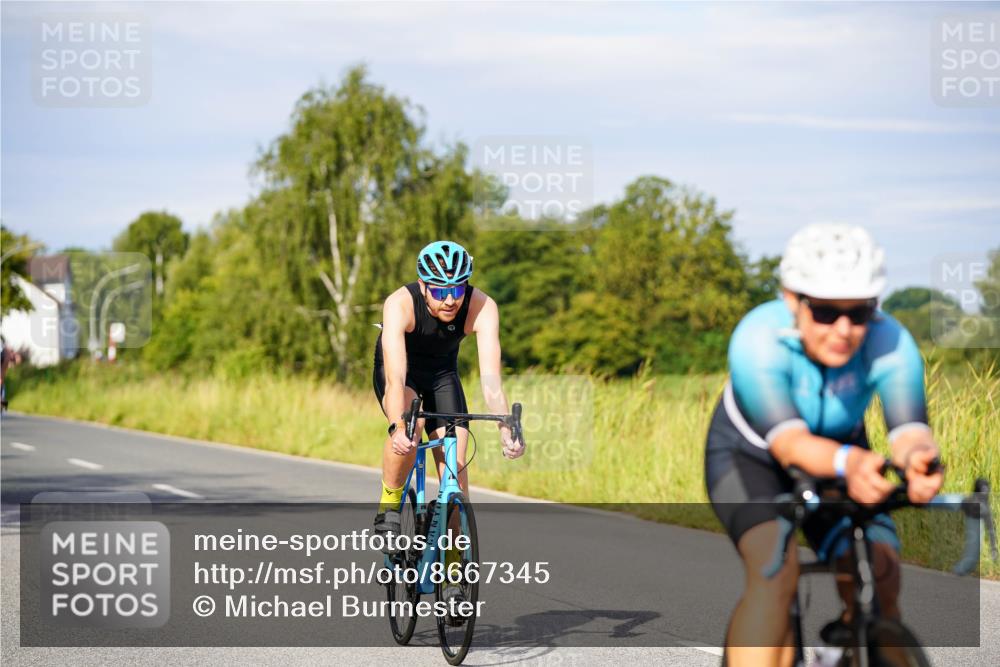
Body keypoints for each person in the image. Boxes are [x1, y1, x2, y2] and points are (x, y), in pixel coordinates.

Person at [704, 224, 943, 667]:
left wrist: (919, 461)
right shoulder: (758, 339)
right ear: (792, 300)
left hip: (841, 453)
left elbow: (910, 430)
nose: (844, 330)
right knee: (774, 575)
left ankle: (846, 649)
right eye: (826, 312)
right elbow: (791, 445)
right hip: (750, 458)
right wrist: (850, 464)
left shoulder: (890, 341)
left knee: (881, 577)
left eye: (861, 312)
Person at [372, 240, 524, 540]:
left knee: (456, 472)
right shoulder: (399, 304)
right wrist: (397, 426)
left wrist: (506, 428)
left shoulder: (483, 306)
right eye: (440, 292)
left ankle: (453, 558)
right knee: (411, 429)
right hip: (402, 373)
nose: (451, 300)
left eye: (458, 289)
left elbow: (491, 381)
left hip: (442, 375)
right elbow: (395, 378)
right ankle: (389, 504)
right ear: (422, 285)